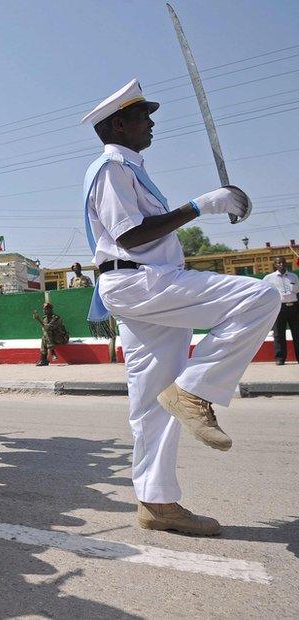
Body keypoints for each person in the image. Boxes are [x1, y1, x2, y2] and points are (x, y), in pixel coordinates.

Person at [81, 78, 279, 535]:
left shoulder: (129, 168)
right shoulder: (112, 168)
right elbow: (131, 236)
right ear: (119, 124)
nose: (150, 124)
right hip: (141, 282)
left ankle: (157, 503)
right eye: (142, 116)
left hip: (140, 284)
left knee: (152, 401)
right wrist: (200, 206)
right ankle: (195, 389)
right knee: (262, 295)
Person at [262, 256, 298, 364]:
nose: (281, 264)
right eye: (278, 263)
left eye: (283, 262)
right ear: (275, 265)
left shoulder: (294, 277)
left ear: (286, 263)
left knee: (297, 334)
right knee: (278, 334)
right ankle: (280, 358)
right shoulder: (268, 278)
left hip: (294, 308)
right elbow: (264, 293)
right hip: (278, 308)